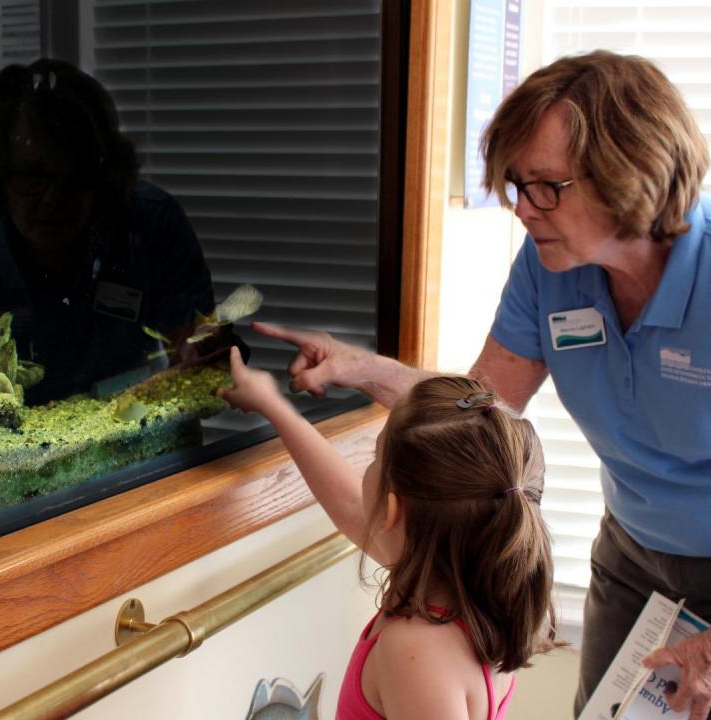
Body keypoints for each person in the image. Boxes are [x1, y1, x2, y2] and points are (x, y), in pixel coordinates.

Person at [252, 50, 711, 720]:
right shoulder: (552, 265)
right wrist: (362, 368)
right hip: (635, 549)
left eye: (546, 185)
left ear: (629, 172)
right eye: (516, 186)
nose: (524, 209)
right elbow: (477, 410)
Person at [221, 349, 559, 719]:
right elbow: (352, 506)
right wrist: (273, 406)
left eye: (375, 457)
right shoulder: (459, 583)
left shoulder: (416, 650)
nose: (368, 468)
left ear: (393, 510)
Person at [0, 58, 216, 404]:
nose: (53, 199)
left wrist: (206, 359)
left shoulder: (151, 225)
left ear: (101, 174)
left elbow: (197, 366)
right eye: (31, 177)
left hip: (131, 431)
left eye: (72, 175)